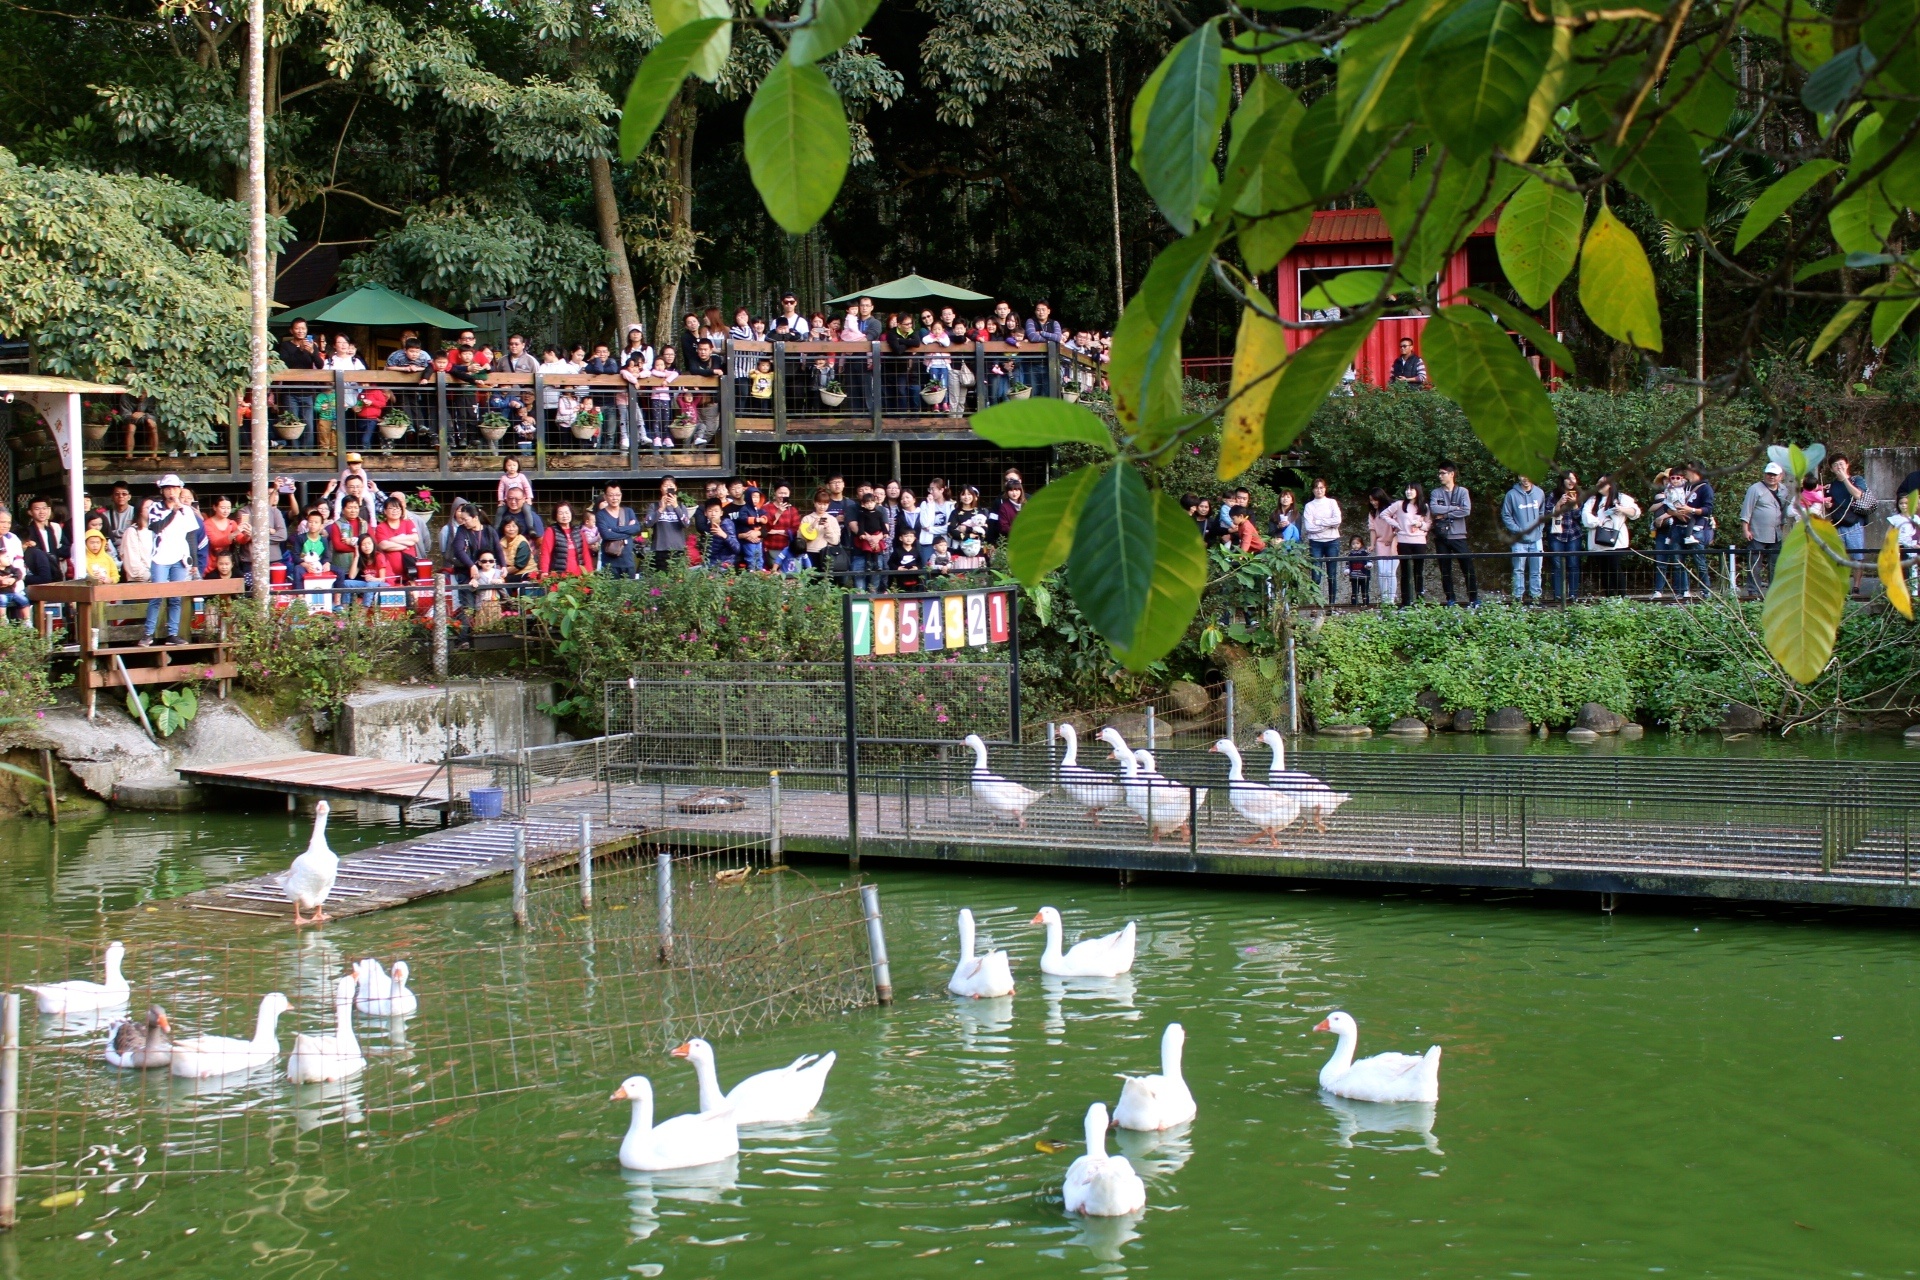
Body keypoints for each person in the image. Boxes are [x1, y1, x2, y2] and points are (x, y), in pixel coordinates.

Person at [139, 476, 202, 645]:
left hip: (180, 557)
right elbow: (157, 527)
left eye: (175, 488)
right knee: (157, 596)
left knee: (175, 597)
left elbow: (191, 536)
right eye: (168, 488)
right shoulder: (155, 508)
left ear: (180, 489)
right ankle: (148, 634)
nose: (172, 491)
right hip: (160, 556)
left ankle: (172, 634)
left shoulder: (187, 510)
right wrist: (173, 511)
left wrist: (194, 562)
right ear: (162, 490)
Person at [1739, 461, 1795, 597]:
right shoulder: (1755, 489)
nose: (1772, 477)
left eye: (1775, 475)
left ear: (1780, 476)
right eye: (1769, 474)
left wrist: (1782, 528)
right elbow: (1747, 509)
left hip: (1776, 533)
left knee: (1775, 562)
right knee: (1755, 563)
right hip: (1757, 532)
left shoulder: (1783, 490)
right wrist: (1745, 529)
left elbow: (1783, 510)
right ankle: (1753, 590)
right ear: (1765, 474)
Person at [1582, 474, 1641, 595]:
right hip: (1597, 540)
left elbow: (1635, 512)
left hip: (1615, 541)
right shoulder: (1593, 500)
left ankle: (1621, 596)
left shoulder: (1621, 498)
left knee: (1615, 568)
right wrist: (1600, 521)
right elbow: (1586, 517)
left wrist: (1622, 509)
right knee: (1603, 570)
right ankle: (1609, 596)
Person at [1827, 452, 1875, 595]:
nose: (1839, 467)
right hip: (1837, 524)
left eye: (1841, 464)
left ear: (1847, 465)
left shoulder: (1857, 480)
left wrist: (1845, 480)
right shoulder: (1831, 486)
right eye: (1835, 465)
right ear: (1831, 469)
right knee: (1838, 557)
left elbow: (1858, 495)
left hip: (1854, 524)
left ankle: (1856, 586)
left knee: (1857, 556)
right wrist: (1828, 505)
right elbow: (1827, 504)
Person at [1429, 463, 1477, 605]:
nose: (1440, 476)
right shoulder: (1436, 492)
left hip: (1459, 535)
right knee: (1445, 569)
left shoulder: (1462, 491)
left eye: (1443, 473)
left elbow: (1466, 510)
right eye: (1439, 473)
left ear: (1452, 474)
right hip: (1441, 537)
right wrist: (1454, 508)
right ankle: (1450, 598)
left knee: (1468, 567)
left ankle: (1474, 599)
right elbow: (1434, 508)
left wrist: (1444, 515)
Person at [1500, 474, 1547, 603]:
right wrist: (1519, 530)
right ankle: (1518, 597)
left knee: (1536, 570)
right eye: (1522, 475)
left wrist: (1539, 528)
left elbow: (1542, 513)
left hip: (1536, 539)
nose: (1526, 478)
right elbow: (1506, 515)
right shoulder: (1511, 495)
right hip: (1518, 540)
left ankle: (1535, 597)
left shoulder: (1539, 492)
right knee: (1518, 570)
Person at [1649, 467, 1695, 597]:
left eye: (1675, 478)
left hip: (1676, 527)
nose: (1669, 481)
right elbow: (1652, 508)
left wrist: (1665, 515)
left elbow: (1680, 510)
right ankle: (1658, 590)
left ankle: (1683, 590)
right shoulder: (1662, 495)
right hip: (1662, 530)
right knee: (1661, 561)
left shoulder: (1683, 492)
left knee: (1678, 560)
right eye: (1668, 479)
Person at [1388, 483, 1431, 606]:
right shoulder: (1399, 504)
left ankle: (1420, 600)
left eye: (1411, 489)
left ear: (1417, 491)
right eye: (1406, 489)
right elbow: (1384, 514)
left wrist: (1420, 525)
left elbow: (1429, 524)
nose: (1408, 491)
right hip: (1403, 541)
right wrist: (1396, 525)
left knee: (1419, 571)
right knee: (1405, 572)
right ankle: (1405, 601)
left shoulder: (1424, 506)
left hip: (1419, 542)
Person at [640, 478, 694, 572]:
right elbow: (648, 524)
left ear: (675, 488)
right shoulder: (654, 506)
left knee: (677, 579)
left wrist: (676, 506)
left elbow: (686, 524)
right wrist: (661, 509)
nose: (668, 488)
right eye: (665, 486)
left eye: (671, 486)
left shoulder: (681, 506)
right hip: (659, 549)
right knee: (660, 579)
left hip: (678, 549)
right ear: (661, 488)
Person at [1303, 478, 1342, 603]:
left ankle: (1332, 604)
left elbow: (1337, 520)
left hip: (1332, 541)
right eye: (1316, 487)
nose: (1319, 490)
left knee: (1332, 574)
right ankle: (1315, 603)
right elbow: (1309, 528)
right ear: (1313, 490)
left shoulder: (1332, 502)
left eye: (1321, 487)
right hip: (1315, 543)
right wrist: (1329, 525)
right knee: (1316, 575)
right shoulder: (1309, 506)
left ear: (1325, 488)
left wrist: (1319, 522)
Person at [1548, 472, 1584, 601]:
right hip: (1557, 534)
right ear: (1563, 480)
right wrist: (1558, 504)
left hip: (1574, 534)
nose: (1571, 481)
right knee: (1557, 565)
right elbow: (1548, 514)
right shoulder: (1554, 494)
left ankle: (1573, 594)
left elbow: (1581, 518)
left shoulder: (1580, 495)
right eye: (1568, 479)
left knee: (1573, 564)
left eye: (1573, 478)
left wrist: (1575, 505)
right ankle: (1558, 595)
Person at [19, 497, 68, 586]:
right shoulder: (27, 532)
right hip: (38, 575)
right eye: (37, 509)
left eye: (44, 508)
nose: (42, 512)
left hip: (54, 572)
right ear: (30, 512)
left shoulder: (51, 530)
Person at [596, 484, 642, 578]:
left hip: (628, 562)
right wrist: (628, 531)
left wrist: (614, 530)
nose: (614, 498)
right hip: (610, 564)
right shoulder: (601, 515)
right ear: (605, 496)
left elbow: (637, 528)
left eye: (617, 495)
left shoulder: (628, 511)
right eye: (611, 495)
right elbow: (606, 535)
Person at [541, 503, 596, 578]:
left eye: (567, 512)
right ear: (556, 516)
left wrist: (589, 571)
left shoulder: (578, 531)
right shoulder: (551, 531)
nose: (564, 516)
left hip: (578, 575)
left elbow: (585, 553)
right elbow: (546, 552)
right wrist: (544, 571)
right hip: (558, 574)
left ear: (571, 514)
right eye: (561, 513)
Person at [850, 488, 889, 590]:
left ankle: (876, 565)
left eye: (872, 502)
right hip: (861, 547)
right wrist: (864, 535)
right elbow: (859, 526)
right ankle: (868, 563)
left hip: (877, 536)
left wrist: (883, 534)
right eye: (861, 490)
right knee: (859, 581)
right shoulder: (859, 512)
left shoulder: (880, 512)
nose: (870, 504)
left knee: (875, 580)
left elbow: (884, 525)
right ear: (863, 503)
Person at [797, 488, 841, 576]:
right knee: (809, 580)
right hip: (808, 553)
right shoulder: (807, 519)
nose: (822, 507)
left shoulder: (832, 519)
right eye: (819, 503)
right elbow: (800, 540)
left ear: (828, 504)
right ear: (814, 503)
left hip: (825, 554)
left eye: (825, 504)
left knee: (824, 579)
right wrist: (811, 527)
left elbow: (835, 541)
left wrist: (828, 528)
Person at [763, 483, 802, 571]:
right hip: (769, 547)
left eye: (785, 493)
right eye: (780, 493)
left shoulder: (792, 510)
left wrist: (777, 531)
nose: (782, 496)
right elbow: (766, 528)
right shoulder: (766, 508)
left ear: (789, 494)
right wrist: (778, 513)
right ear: (775, 493)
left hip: (787, 548)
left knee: (786, 574)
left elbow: (795, 530)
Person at [0, 510, 29, 621]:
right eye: (2, 522)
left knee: (22, 601)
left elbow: (19, 563)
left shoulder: (12, 538)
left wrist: (14, 578)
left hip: (12, 585)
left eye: (8, 522)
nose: (6, 525)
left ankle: (26, 624)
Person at [990, 479, 1025, 544]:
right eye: (1011, 490)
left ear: (1021, 491)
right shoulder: (1004, 507)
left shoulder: (1026, 505)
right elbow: (1004, 526)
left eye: (1017, 490)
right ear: (1007, 492)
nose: (1014, 493)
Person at [1346, 536, 1371, 605]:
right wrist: (1347, 570)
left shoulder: (1365, 553)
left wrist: (1369, 565)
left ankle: (1366, 605)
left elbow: (1369, 560)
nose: (1355, 545)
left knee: (1365, 592)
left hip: (1364, 576)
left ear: (1361, 544)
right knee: (1354, 592)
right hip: (1354, 576)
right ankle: (1354, 605)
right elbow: (1348, 564)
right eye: (1353, 544)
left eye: (1357, 543)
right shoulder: (1350, 554)